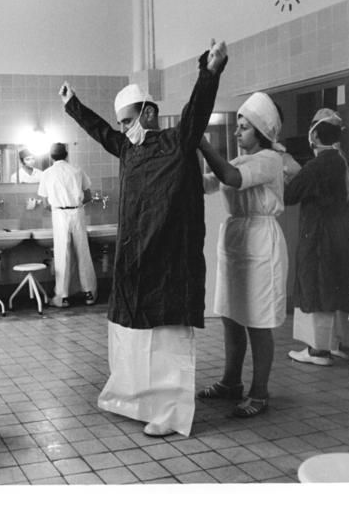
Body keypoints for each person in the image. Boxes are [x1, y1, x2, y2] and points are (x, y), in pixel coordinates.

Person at [59, 39, 228, 437]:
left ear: (148, 113)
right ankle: (135, 401)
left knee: (166, 342)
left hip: (171, 261)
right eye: (120, 123)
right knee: (133, 338)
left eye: (128, 119)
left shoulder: (177, 142)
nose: (122, 128)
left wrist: (210, 71)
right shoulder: (127, 149)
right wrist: (73, 105)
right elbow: (100, 131)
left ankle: (169, 414)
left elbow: (197, 109)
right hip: (135, 262)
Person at [197, 91, 289, 418]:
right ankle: (230, 382)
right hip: (237, 238)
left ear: (261, 132)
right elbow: (209, 182)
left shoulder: (269, 159)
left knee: (258, 320)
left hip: (261, 242)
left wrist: (203, 143)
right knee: (232, 316)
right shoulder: (240, 158)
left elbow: (231, 179)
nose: (237, 132)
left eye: (244, 127)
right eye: (237, 125)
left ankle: (260, 392)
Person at [286, 108, 349, 366]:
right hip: (344, 231)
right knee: (341, 285)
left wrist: (288, 166)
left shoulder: (316, 166)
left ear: (315, 135)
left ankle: (318, 351)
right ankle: (345, 345)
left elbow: (290, 195)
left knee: (315, 285)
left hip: (319, 233)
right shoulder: (347, 162)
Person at [37, 142, 98, 308]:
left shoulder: (47, 174)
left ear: (51, 156)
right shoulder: (77, 171)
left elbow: (44, 203)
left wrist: (57, 207)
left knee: (62, 254)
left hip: (59, 214)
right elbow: (88, 196)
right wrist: (75, 204)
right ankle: (89, 293)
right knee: (83, 252)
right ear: (67, 154)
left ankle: (62, 296)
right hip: (77, 212)